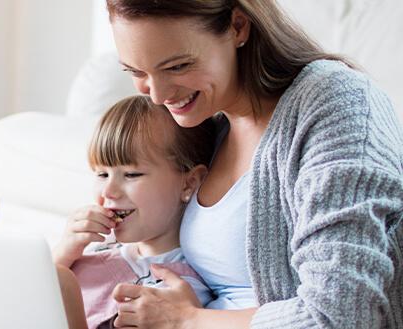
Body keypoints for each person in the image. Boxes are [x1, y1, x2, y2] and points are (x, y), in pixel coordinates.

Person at [104, 0, 403, 328]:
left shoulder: (338, 104)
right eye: (135, 71)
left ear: (237, 27)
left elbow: (341, 313)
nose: (158, 95)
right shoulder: (208, 126)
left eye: (177, 66)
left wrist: (188, 320)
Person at [51, 95, 221, 328]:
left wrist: (63, 284)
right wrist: (62, 254)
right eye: (102, 175)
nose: (109, 191)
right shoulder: (100, 243)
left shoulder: (176, 288)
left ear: (188, 184)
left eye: (132, 174)